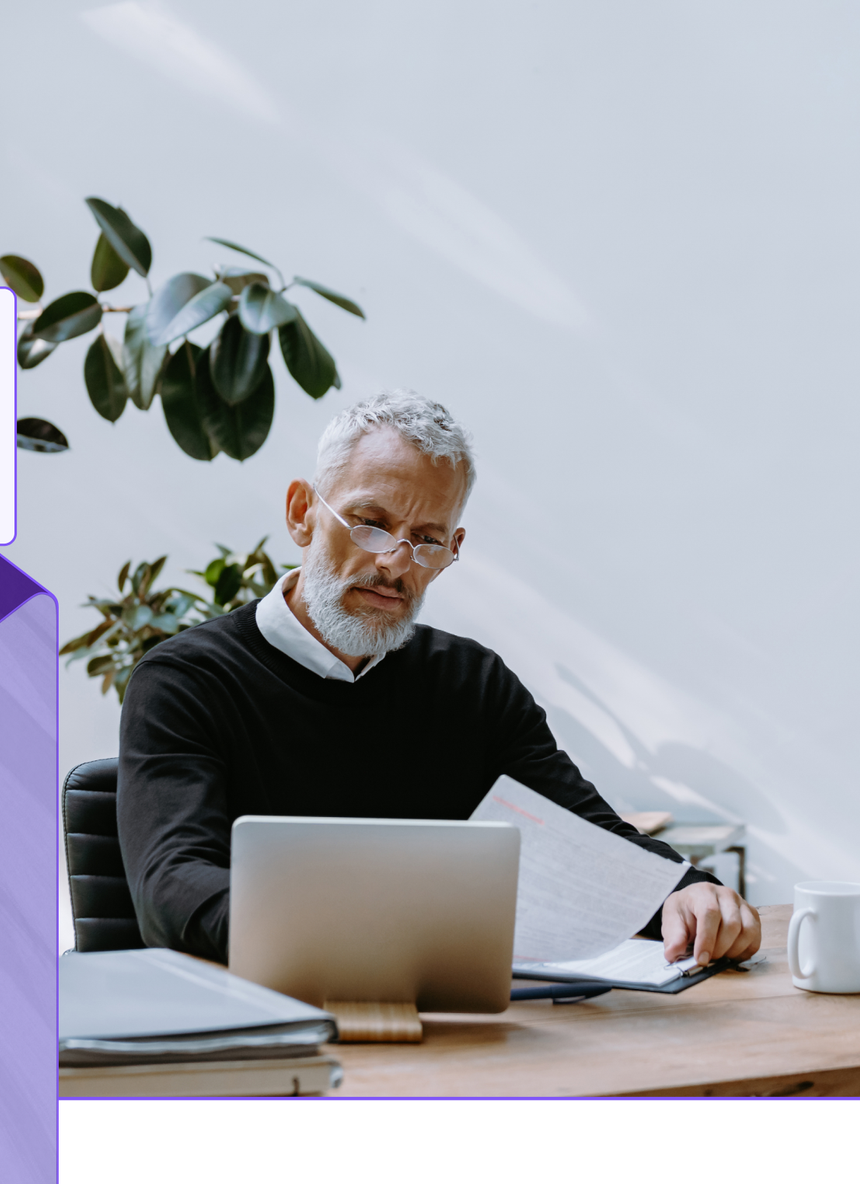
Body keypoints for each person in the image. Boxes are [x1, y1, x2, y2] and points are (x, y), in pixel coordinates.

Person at [116, 390, 762, 969]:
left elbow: (592, 839)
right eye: (370, 522)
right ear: (301, 513)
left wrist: (686, 892)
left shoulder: (471, 684)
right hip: (266, 1040)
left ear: (451, 551)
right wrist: (363, 932)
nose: (395, 562)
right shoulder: (184, 683)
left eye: (426, 539)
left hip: (453, 1039)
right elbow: (174, 888)